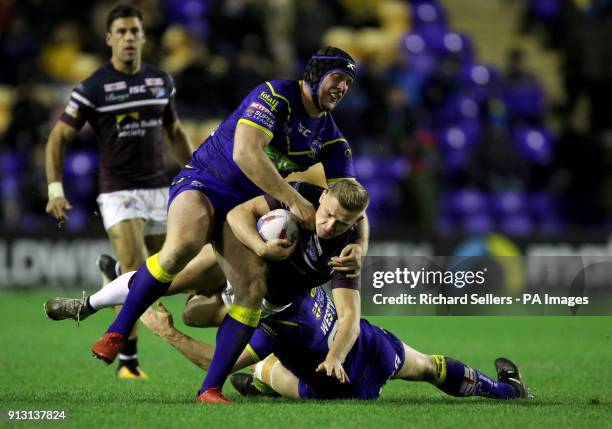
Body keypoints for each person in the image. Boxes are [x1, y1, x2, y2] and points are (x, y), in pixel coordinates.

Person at [89, 46, 369, 403]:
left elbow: (354, 200)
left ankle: (210, 389)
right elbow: (245, 154)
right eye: (338, 77)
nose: (343, 87)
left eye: (349, 82)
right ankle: (117, 330)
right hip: (206, 182)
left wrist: (359, 246)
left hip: (240, 211)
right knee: (181, 249)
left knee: (252, 288)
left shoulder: (330, 137)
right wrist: (296, 201)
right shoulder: (274, 95)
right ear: (314, 74)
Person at [46, 181, 368, 391]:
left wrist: (336, 357)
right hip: (243, 259)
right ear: (323, 195)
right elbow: (240, 214)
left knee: (194, 315)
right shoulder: (302, 196)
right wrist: (259, 247)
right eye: (327, 216)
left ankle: (120, 275)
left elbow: (350, 316)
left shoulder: (345, 253)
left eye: (341, 223)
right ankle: (86, 306)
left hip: (265, 305)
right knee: (167, 282)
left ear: (355, 222)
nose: (329, 226)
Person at [44, 4, 194, 379]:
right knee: (135, 269)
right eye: (121, 32)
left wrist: (196, 173)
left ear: (144, 37)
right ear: (109, 39)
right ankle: (127, 361)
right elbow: (57, 138)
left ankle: (110, 273)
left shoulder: (160, 81)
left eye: (134, 31)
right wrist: (54, 189)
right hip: (118, 191)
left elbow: (174, 132)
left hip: (159, 189)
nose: (129, 38)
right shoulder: (93, 87)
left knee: (163, 278)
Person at [139, 288, 530, 401]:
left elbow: (217, 364)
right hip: (374, 353)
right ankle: (507, 391)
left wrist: (167, 332)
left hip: (332, 388)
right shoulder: (309, 265)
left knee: (261, 366)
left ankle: (260, 383)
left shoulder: (270, 323)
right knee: (430, 367)